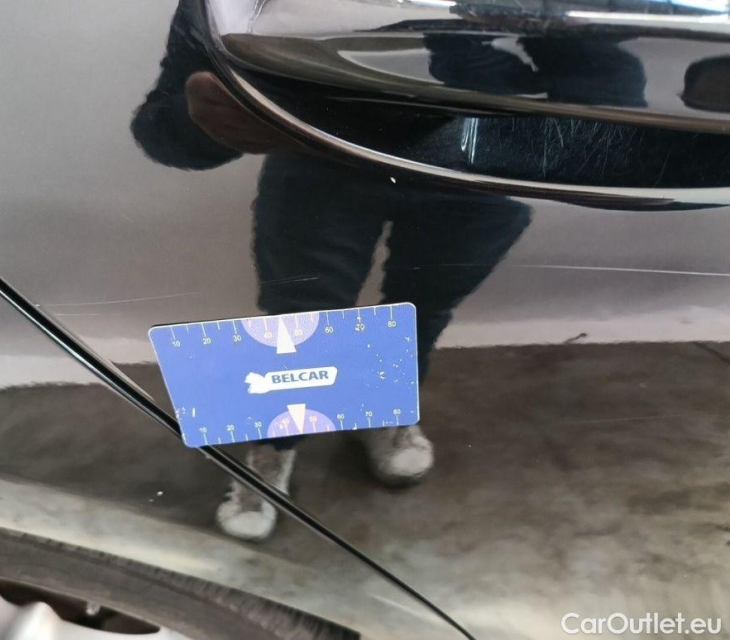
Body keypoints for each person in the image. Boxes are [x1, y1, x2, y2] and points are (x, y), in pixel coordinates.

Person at [131, 0, 530, 541]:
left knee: (421, 308)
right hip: (322, 161)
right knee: (302, 320)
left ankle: (382, 410)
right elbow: (159, 122)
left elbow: (609, 80)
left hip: (473, 162)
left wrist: (532, 105)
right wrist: (204, 119)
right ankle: (273, 445)